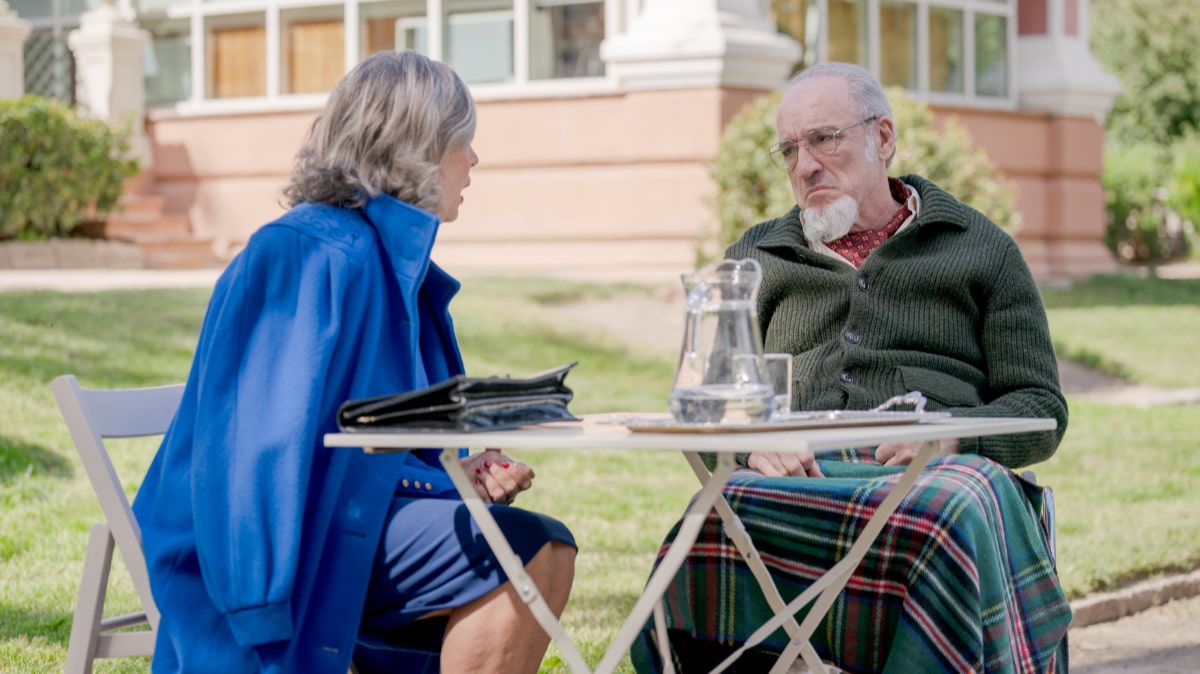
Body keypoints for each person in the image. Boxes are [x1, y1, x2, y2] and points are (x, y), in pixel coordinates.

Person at [131, 50, 576, 674]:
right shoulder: (304, 253)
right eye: (463, 141)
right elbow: (254, 452)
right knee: (529, 548)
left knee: (543, 546)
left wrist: (456, 477)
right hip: (275, 553)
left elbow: (383, 443)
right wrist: (255, 607)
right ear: (417, 146)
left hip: (354, 518)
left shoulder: (397, 272)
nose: (473, 161)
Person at [631, 62, 1071, 673]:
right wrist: (748, 448)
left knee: (960, 506)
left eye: (824, 139)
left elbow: (1042, 412)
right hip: (798, 478)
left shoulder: (982, 247)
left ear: (882, 138)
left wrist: (954, 435)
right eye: (789, 150)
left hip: (934, 477)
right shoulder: (755, 258)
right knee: (703, 526)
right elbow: (708, 409)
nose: (805, 164)